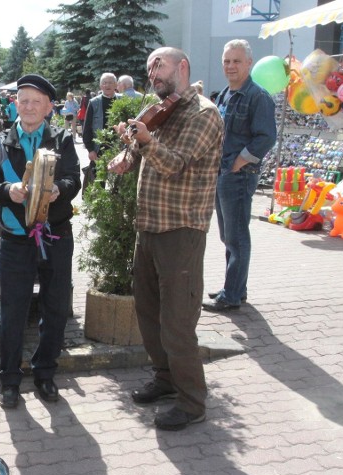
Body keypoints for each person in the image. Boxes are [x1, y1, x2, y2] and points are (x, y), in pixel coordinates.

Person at [108, 47, 223, 431]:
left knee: (177, 321)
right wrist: (129, 156)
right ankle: (166, 378)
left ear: (183, 66)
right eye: (148, 69)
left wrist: (147, 142)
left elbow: (175, 163)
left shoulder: (204, 113)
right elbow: (151, 156)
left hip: (181, 230)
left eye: (159, 66)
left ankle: (192, 402)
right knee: (148, 311)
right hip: (150, 226)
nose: (152, 74)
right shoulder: (164, 110)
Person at [0, 74, 81, 410]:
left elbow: (73, 179)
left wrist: (58, 190)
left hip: (55, 236)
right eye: (24, 100)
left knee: (55, 308)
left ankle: (45, 373)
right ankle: (9, 380)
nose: (30, 106)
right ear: (15, 104)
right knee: (13, 311)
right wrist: (7, 191)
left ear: (50, 106)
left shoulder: (62, 139)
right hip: (15, 240)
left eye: (37, 101)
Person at [203, 39, 276, 313]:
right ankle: (234, 287)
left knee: (236, 237)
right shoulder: (225, 94)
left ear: (249, 63)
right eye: (226, 61)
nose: (230, 66)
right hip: (222, 174)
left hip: (238, 176)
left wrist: (239, 162)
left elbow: (266, 136)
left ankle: (231, 294)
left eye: (236, 61)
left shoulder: (258, 96)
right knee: (228, 236)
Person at [83, 73, 120, 170]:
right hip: (99, 148)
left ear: (116, 85)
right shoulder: (94, 102)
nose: (107, 85)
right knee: (99, 180)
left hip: (118, 147)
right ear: (100, 86)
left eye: (110, 83)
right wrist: (90, 149)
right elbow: (87, 128)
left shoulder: (122, 100)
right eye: (104, 83)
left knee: (119, 180)